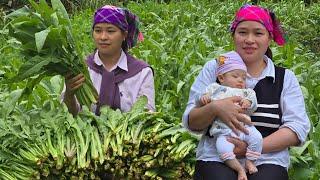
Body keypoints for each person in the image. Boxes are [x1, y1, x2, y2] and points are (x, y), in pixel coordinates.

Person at [182, 4, 310, 180]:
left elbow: (297, 129)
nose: (249, 40)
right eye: (242, 32)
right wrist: (215, 108)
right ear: (233, 36)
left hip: (268, 159)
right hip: (216, 155)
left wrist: (253, 147)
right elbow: (191, 121)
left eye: (258, 33)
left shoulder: (285, 78)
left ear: (269, 38)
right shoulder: (214, 69)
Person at [63, 5, 155, 116]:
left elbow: (147, 116)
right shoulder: (81, 68)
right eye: (98, 30)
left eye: (110, 31)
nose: (103, 37)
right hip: (85, 133)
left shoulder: (141, 72)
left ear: (124, 35)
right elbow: (68, 116)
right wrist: (69, 95)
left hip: (128, 133)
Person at [196, 51, 262, 180]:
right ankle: (239, 169)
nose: (240, 80)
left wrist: (248, 102)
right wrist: (204, 98)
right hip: (223, 132)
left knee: (257, 138)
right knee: (222, 149)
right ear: (221, 78)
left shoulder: (246, 92)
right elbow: (200, 98)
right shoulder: (214, 88)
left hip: (244, 128)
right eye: (235, 76)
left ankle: (250, 161)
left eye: (243, 78)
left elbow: (254, 104)